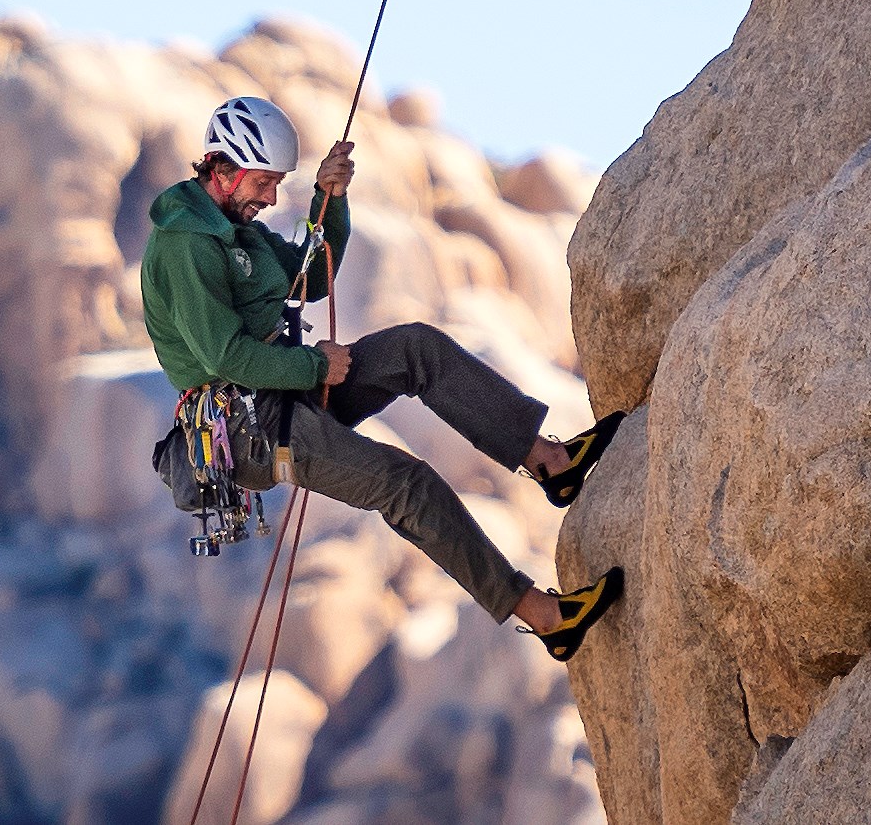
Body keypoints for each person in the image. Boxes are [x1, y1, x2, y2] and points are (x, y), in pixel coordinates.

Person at [142, 96, 623, 662]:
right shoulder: (187, 244)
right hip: (250, 435)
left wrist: (331, 201)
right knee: (404, 483)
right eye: (265, 183)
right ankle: (545, 618)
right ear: (228, 170)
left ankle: (550, 463)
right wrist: (317, 366)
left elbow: (310, 279)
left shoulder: (234, 229)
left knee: (414, 350)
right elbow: (224, 356)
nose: (271, 198)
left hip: (285, 394)